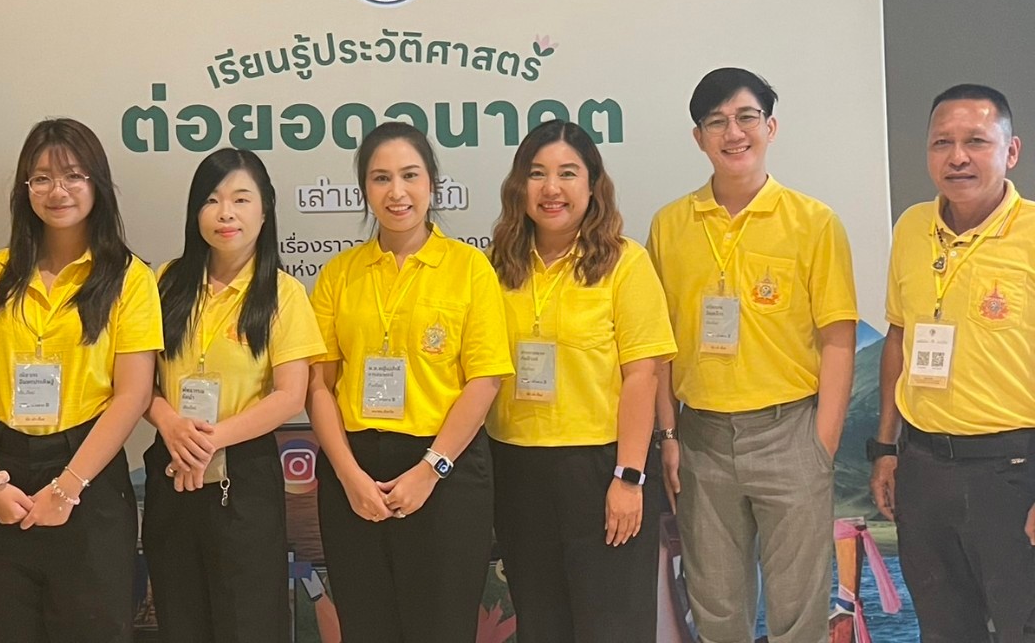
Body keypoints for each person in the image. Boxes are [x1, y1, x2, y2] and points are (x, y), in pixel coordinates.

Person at [648, 67, 857, 643]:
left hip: (790, 431)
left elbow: (838, 339)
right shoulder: (670, 225)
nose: (733, 133)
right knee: (716, 612)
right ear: (699, 138)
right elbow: (659, 346)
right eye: (716, 122)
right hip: (702, 438)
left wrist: (822, 443)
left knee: (798, 615)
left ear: (771, 127)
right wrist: (670, 435)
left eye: (746, 117)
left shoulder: (814, 223)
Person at [0, 118, 161, 643]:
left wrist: (67, 488)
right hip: (2, 472)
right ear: (25, 189)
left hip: (88, 476)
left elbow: (133, 393)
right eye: (41, 178)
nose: (57, 191)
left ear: (97, 184)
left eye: (73, 176)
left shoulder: (130, 278)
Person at [305, 121, 513, 643]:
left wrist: (429, 470)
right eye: (381, 178)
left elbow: (485, 380)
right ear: (364, 189)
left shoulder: (469, 268)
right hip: (355, 473)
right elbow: (318, 386)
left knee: (441, 627)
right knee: (366, 626)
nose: (396, 192)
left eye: (410, 175)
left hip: (445, 471)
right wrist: (348, 476)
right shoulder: (339, 274)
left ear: (432, 183)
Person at [487, 120, 677, 642]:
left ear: (593, 185)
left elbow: (642, 375)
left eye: (568, 173)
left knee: (611, 628)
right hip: (517, 469)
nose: (552, 188)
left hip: (603, 469)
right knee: (541, 626)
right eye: (537, 174)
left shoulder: (625, 262)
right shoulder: (496, 268)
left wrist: (629, 477)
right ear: (519, 186)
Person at [870, 83, 1035, 643]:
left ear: (1011, 151)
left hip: (1012, 470)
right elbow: (898, 336)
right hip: (923, 468)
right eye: (942, 142)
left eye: (976, 141)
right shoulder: (913, 228)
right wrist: (886, 449)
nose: (957, 157)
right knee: (943, 629)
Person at [142, 148, 325, 642]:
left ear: (265, 211)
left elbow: (290, 395)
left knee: (250, 623)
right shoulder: (164, 282)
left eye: (241, 199)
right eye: (212, 199)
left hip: (243, 476)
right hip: (172, 467)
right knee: (181, 619)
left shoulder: (283, 293)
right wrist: (172, 426)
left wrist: (211, 439)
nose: (226, 213)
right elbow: (139, 383)